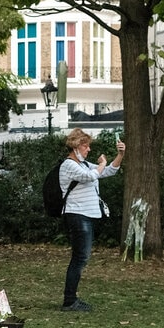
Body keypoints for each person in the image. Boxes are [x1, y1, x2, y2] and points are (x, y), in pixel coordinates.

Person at [60, 129, 125, 312]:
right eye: (85, 146)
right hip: (77, 215)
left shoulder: (84, 164)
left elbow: (108, 171)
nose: (89, 149)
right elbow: (90, 176)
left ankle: (70, 299)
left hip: (87, 215)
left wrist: (120, 155)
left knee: (81, 257)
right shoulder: (68, 165)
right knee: (80, 258)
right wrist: (102, 164)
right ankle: (69, 301)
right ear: (75, 146)